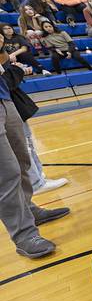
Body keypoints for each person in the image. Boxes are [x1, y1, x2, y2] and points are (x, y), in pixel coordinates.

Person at [0, 39, 70, 258]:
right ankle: (24, 234)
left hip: (4, 98)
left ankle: (29, 209)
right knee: (6, 172)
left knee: (22, 161)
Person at [1, 41, 68, 194]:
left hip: (12, 104)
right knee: (24, 145)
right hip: (8, 105)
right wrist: (17, 70)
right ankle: (35, 182)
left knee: (28, 142)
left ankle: (38, 176)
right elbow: (7, 83)